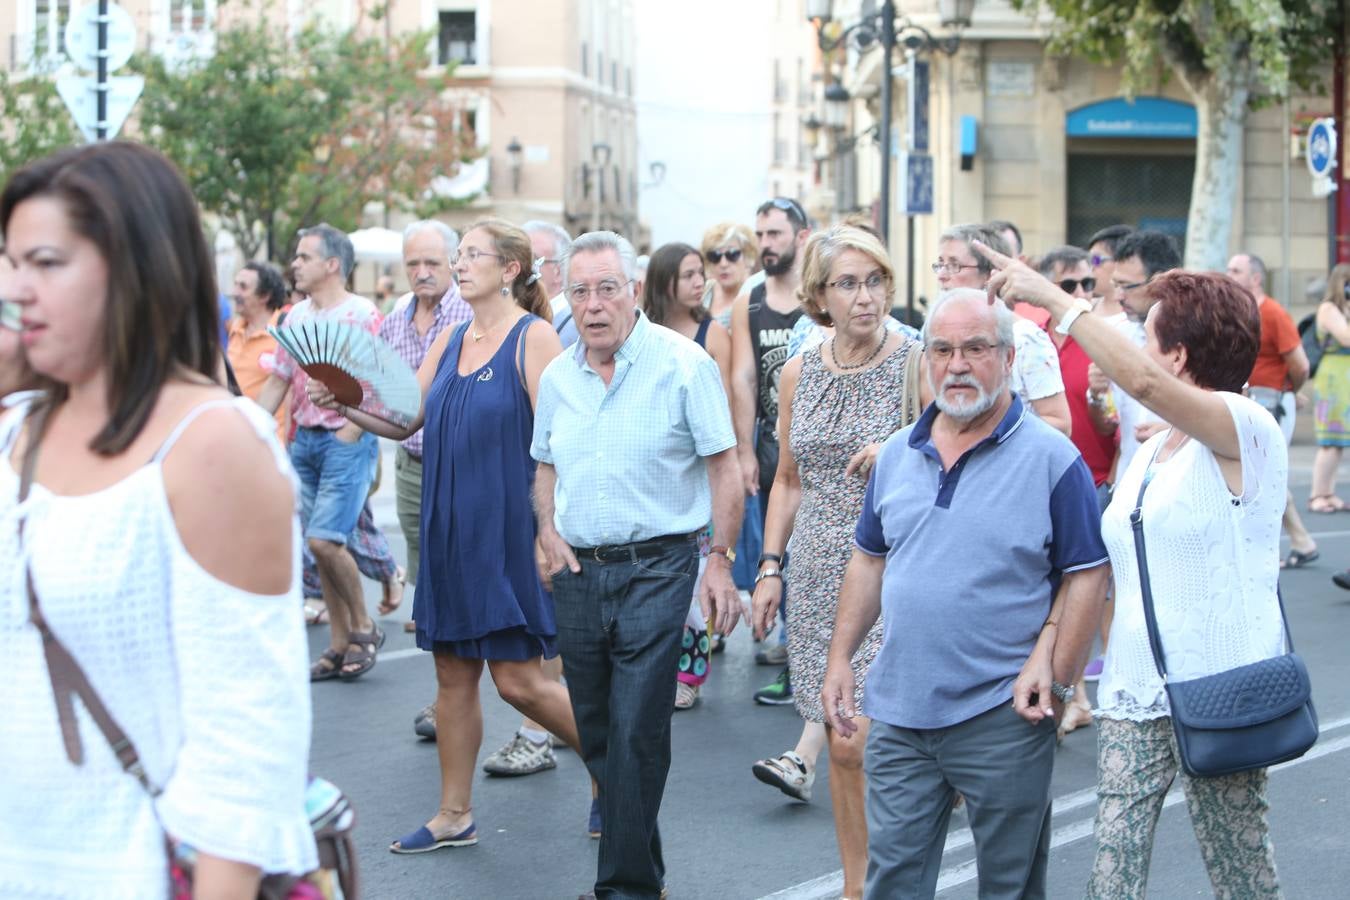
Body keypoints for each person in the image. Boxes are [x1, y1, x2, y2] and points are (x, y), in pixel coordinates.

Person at [0, 141, 315, 896]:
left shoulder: (213, 444)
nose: (17, 290)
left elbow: (245, 751)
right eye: (9, 264)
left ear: (135, 267)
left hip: (124, 870)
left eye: (45, 263)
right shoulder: (17, 426)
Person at [979, 241, 1291, 899]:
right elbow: (1104, 569)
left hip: (1219, 690)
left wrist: (1056, 300)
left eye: (1146, 339)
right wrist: (1059, 668)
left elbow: (1145, 384)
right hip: (1133, 692)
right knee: (1110, 877)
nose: (1136, 353)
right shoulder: (1152, 452)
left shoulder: (1247, 426)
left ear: (1178, 356)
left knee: (1243, 879)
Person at [307, 218, 586, 853]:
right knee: (453, 676)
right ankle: (453, 814)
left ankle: (613, 778)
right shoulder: (454, 336)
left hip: (509, 531)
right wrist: (344, 402)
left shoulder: (535, 336)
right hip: (449, 528)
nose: (459, 264)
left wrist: (551, 529)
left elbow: (560, 443)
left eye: (471, 255)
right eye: (458, 254)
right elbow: (408, 417)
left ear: (510, 269)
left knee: (520, 682)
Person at [822, 285, 1108, 899]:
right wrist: (841, 657)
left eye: (975, 348)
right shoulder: (897, 455)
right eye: (942, 349)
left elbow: (1087, 574)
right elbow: (869, 561)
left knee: (1008, 886)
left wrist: (1056, 680)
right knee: (893, 881)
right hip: (899, 711)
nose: (956, 365)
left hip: (1002, 712)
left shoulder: (1054, 460)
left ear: (1007, 358)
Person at [531, 230, 743, 900]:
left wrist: (720, 562)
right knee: (596, 731)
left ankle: (622, 889)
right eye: (580, 292)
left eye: (607, 289)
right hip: (577, 573)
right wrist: (546, 530)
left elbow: (725, 468)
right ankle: (643, 875)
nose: (593, 306)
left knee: (635, 731)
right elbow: (544, 466)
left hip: (659, 566)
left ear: (631, 291)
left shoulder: (683, 364)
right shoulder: (558, 376)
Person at [751, 225, 925, 899]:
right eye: (848, 283)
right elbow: (788, 479)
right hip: (819, 571)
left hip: (897, 566)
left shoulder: (917, 361)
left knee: (874, 740)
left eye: (875, 279)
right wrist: (770, 567)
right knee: (842, 736)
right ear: (820, 294)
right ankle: (859, 886)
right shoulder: (799, 369)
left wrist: (902, 449)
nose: (865, 296)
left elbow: (964, 457)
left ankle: (893, 875)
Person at [256, 223, 385, 680]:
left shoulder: (361, 315)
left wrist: (351, 430)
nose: (294, 264)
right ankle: (337, 643)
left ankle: (365, 627)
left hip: (345, 441)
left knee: (324, 540)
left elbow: (380, 384)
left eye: (304, 257)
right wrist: (250, 431)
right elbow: (278, 380)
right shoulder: (293, 317)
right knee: (319, 547)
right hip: (303, 443)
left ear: (332, 265)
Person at [379, 220, 472, 738]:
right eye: (412, 263)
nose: (421, 272)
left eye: (432, 263)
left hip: (460, 465)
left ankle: (453, 699)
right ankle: (450, 693)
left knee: (452, 580)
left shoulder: (469, 315)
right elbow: (385, 388)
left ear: (454, 263)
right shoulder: (396, 319)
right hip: (412, 463)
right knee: (427, 575)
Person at [643, 242, 733, 710]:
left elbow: (732, 399)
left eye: (702, 273)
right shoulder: (641, 333)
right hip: (658, 467)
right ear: (664, 284)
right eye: (690, 274)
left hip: (701, 467)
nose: (701, 282)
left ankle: (689, 673)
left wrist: (736, 463)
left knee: (695, 575)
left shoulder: (710, 332)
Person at [732, 197, 810, 705]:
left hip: (817, 443)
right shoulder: (751, 299)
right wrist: (742, 450)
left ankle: (801, 649)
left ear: (801, 237)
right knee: (774, 549)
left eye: (775, 234)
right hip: (769, 445)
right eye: (760, 234)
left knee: (810, 552)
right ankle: (789, 639)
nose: (766, 244)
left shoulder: (820, 294)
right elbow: (742, 375)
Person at [1038, 245, 1117, 738]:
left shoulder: (1100, 341)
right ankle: (1077, 696)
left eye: (1088, 284)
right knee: (1057, 592)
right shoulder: (1031, 340)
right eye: (1069, 287)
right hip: (1048, 484)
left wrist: (1095, 396)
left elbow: (1111, 426)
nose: (1082, 294)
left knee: (1085, 589)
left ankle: (1078, 694)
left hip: (1099, 480)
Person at [934, 224, 1071, 436]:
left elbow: (1060, 423)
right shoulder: (935, 333)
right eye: (940, 264)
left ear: (990, 275)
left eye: (954, 266)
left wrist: (991, 434)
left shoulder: (1024, 337)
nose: (942, 275)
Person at [1228, 252, 1317, 570]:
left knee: (1262, 475)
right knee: (1261, 474)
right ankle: (1302, 540)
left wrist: (1288, 391)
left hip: (1272, 402)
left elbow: (1300, 364)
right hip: (1247, 399)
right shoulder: (1235, 312)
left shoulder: (1274, 313)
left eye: (1236, 270)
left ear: (1256, 277)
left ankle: (1275, 547)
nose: (1229, 274)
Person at [1085, 230, 1182, 477]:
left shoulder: (1202, 333)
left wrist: (1176, 432)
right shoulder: (1117, 335)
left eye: (1126, 286)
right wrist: (1097, 396)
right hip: (1128, 487)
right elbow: (1107, 426)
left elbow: (1231, 415)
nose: (1118, 295)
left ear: (1160, 281)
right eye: (1116, 285)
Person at [225, 261, 288, 439]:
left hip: (272, 439)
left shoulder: (283, 332)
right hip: (238, 437)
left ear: (264, 296)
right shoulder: (235, 329)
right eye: (236, 285)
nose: (235, 292)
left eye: (243, 287)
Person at [1309, 264, 1350, 512]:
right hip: (1333, 378)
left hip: (1345, 376)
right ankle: (1317, 495)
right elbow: (1345, 337)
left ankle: (1329, 492)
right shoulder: (1329, 309)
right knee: (1329, 440)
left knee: (1339, 442)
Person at [700, 221, 758, 329]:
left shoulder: (758, 293)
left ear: (747, 256)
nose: (723, 264)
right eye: (715, 256)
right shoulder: (703, 291)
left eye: (732, 254)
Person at [1085, 224, 1133, 319]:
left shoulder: (1139, 315)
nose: (1090, 267)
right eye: (1088, 259)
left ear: (1122, 261)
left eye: (1096, 260)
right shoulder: (1085, 307)